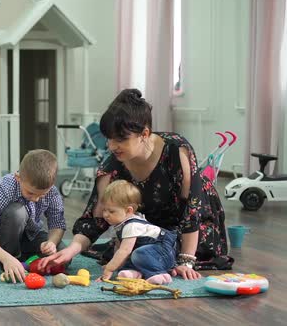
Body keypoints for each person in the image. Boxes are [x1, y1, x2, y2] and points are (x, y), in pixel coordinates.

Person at [39, 88, 233, 279]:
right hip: (149, 229)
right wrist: (71, 251)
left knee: (149, 254)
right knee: (132, 252)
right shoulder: (112, 166)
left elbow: (192, 209)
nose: (112, 146)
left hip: (190, 227)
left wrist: (186, 261)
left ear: (145, 134)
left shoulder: (176, 150)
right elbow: (95, 218)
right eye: (109, 139)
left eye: (121, 139)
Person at [0, 149, 67, 283]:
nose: (36, 199)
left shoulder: (52, 192)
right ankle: (9, 260)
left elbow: (57, 224)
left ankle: (25, 261)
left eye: (41, 195)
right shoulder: (4, 188)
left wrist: (51, 242)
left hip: (32, 236)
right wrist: (7, 258)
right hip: (5, 239)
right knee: (17, 212)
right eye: (30, 193)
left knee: (62, 255)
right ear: (18, 178)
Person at [96, 180, 176, 285]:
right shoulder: (120, 225)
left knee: (138, 253)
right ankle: (133, 272)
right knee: (133, 254)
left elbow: (125, 250)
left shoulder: (131, 225)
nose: (106, 215)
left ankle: (158, 274)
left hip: (163, 252)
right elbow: (119, 249)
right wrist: (115, 264)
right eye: (104, 210)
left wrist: (110, 269)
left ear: (129, 210)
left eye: (111, 211)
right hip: (151, 254)